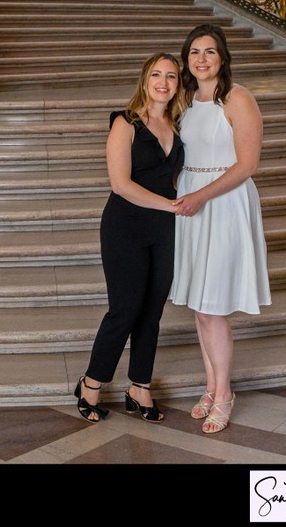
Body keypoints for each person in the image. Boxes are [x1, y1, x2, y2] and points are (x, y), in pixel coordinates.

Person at [169, 24, 272, 434]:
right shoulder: (186, 99)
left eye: (210, 51)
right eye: (194, 52)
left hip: (224, 202)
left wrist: (201, 195)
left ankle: (225, 393)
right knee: (200, 305)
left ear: (223, 57)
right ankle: (211, 387)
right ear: (187, 59)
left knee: (212, 306)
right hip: (192, 202)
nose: (202, 59)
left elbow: (247, 165)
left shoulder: (238, 98)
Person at [74, 53, 185, 424]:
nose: (163, 82)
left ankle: (139, 386)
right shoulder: (125, 123)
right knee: (125, 310)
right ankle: (91, 383)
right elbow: (120, 184)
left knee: (152, 313)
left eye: (171, 76)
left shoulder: (178, 123)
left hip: (165, 228)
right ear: (145, 79)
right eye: (157, 74)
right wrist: (169, 206)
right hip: (126, 225)